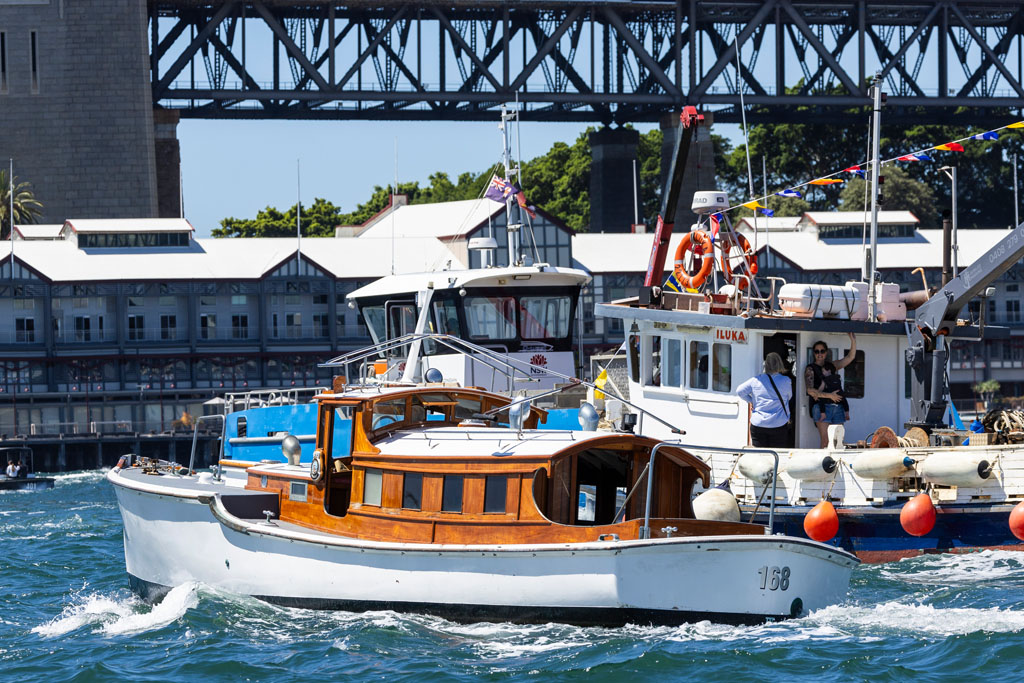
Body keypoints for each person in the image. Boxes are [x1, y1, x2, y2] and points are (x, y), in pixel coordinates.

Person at [805, 333, 857, 448]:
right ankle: (823, 460)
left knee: (838, 442)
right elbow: (810, 390)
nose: (819, 354)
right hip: (821, 407)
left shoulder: (831, 366)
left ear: (826, 352)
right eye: (816, 351)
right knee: (826, 441)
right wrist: (829, 395)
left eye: (822, 351)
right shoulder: (810, 369)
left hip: (837, 407)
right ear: (814, 353)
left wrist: (853, 341)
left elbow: (850, 358)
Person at [737, 352, 793, 448]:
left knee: (760, 454)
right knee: (777, 454)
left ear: (766, 365)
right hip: (778, 424)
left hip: (758, 424)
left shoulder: (755, 380)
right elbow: (789, 397)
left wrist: (752, 401)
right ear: (780, 364)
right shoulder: (786, 380)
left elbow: (739, 391)